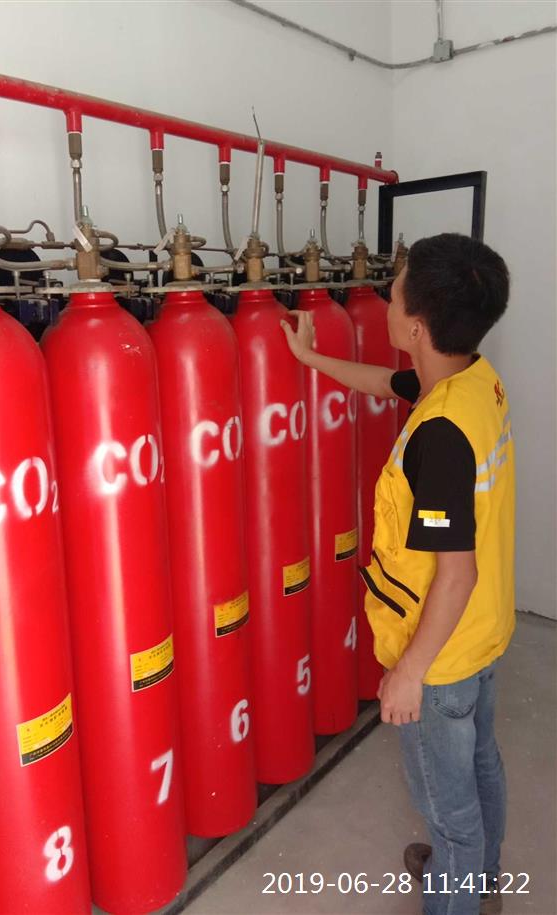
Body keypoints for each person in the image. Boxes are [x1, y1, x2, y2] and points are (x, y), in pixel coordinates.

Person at [281, 233, 514, 915]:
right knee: (482, 761)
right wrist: (309, 358)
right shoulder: (472, 381)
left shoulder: (439, 436)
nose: (386, 298)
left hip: (443, 652)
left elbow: (455, 574)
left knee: (449, 810)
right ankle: (481, 879)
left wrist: (410, 671)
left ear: (415, 326)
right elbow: (388, 383)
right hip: (485, 630)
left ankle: (459, 887)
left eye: (395, 291)